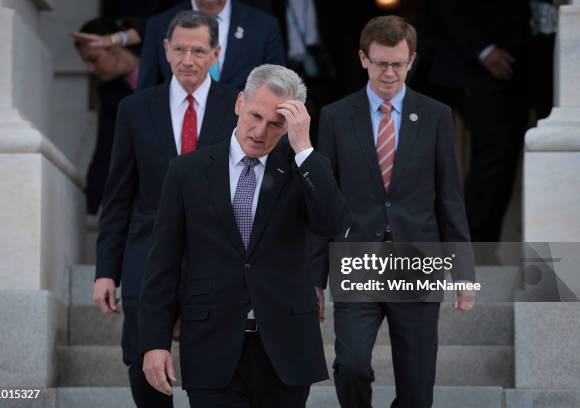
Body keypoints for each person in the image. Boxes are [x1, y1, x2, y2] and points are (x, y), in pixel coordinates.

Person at [139, 64, 352, 407]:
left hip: (286, 348)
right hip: (211, 345)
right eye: (255, 115)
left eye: (276, 124)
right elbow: (162, 263)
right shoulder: (186, 172)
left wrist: (304, 149)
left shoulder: (304, 168)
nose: (260, 131)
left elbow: (335, 225)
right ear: (239, 102)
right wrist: (154, 342)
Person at [313, 16, 476, 408]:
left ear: (412, 60)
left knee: (417, 388)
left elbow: (449, 197)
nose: (390, 73)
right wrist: (314, 279)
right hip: (356, 259)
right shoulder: (335, 117)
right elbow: (323, 202)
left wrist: (464, 271)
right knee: (350, 365)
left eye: (398, 64)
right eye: (381, 63)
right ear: (363, 59)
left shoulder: (436, 115)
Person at [93, 11, 238, 408]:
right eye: (180, 49)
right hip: (147, 257)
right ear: (165, 50)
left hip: (214, 260)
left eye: (198, 50)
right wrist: (107, 269)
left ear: (216, 53)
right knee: (143, 364)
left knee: (211, 372)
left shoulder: (240, 108)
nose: (188, 59)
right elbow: (118, 195)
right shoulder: (135, 109)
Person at [415, 0, 531, 242]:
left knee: (500, 151)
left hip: (516, 63)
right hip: (461, 62)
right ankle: (466, 240)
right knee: (491, 147)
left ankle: (475, 240)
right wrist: (483, 49)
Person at [72, 17, 142, 214]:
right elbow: (105, 149)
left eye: (94, 60)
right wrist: (90, 209)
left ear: (114, 46)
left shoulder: (163, 62)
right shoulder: (110, 93)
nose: (91, 69)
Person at [137, 0, 286, 90]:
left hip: (241, 136)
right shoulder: (159, 26)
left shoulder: (263, 26)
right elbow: (146, 95)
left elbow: (279, 91)